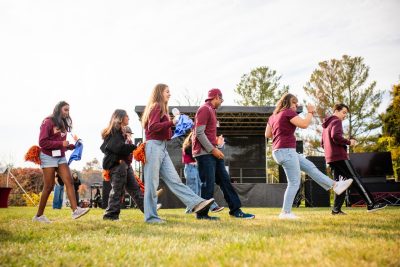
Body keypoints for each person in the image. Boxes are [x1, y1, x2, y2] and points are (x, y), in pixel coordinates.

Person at [265, 93, 353, 219]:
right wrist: (310, 112)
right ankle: (285, 212)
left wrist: (281, 133)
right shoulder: (288, 112)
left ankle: (335, 185)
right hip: (286, 150)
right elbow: (304, 124)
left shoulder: (273, 116)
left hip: (278, 151)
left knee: (310, 167)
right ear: (289, 103)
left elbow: (268, 134)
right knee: (294, 182)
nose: (296, 105)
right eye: (295, 103)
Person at [141, 83, 214, 223]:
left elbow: (166, 135)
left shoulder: (163, 109)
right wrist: (172, 122)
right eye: (167, 91)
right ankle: (151, 217)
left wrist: (179, 127)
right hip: (153, 147)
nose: (170, 94)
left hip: (162, 147)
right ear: (159, 92)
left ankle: (196, 203)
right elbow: (153, 127)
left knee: (175, 180)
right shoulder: (156, 106)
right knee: (152, 184)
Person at [193, 88, 255, 220]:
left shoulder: (212, 111)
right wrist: (213, 149)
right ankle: (202, 214)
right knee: (207, 184)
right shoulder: (204, 109)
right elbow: (199, 133)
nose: (221, 102)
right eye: (221, 99)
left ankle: (235, 210)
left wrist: (217, 144)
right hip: (204, 153)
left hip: (212, 151)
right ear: (216, 97)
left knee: (225, 181)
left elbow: (207, 134)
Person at [321, 103, 387, 214]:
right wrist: (349, 142)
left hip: (331, 159)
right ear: (336, 111)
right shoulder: (336, 121)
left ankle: (336, 210)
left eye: (346, 113)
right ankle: (371, 204)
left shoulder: (325, 126)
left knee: (341, 184)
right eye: (344, 112)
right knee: (355, 178)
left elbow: (322, 143)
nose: (345, 115)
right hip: (340, 157)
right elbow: (336, 136)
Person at [33, 101, 90, 223]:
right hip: (47, 156)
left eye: (68, 110)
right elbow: (42, 142)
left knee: (69, 181)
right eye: (65, 110)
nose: (67, 112)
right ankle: (38, 216)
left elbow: (61, 143)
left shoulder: (63, 124)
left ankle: (75, 210)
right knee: (48, 186)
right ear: (58, 109)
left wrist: (70, 146)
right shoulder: (47, 122)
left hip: (60, 157)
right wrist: (60, 144)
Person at [100, 109, 145, 221]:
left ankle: (150, 212)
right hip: (117, 165)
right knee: (118, 190)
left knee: (135, 189)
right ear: (120, 118)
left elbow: (105, 147)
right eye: (127, 116)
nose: (128, 118)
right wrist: (134, 147)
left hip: (124, 165)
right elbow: (117, 148)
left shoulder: (119, 131)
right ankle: (110, 215)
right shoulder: (115, 131)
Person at [182, 131, 224, 213]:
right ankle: (190, 209)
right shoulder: (189, 146)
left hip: (197, 167)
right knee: (193, 190)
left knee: (202, 189)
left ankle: (212, 206)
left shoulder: (196, 146)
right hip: (191, 167)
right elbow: (195, 155)